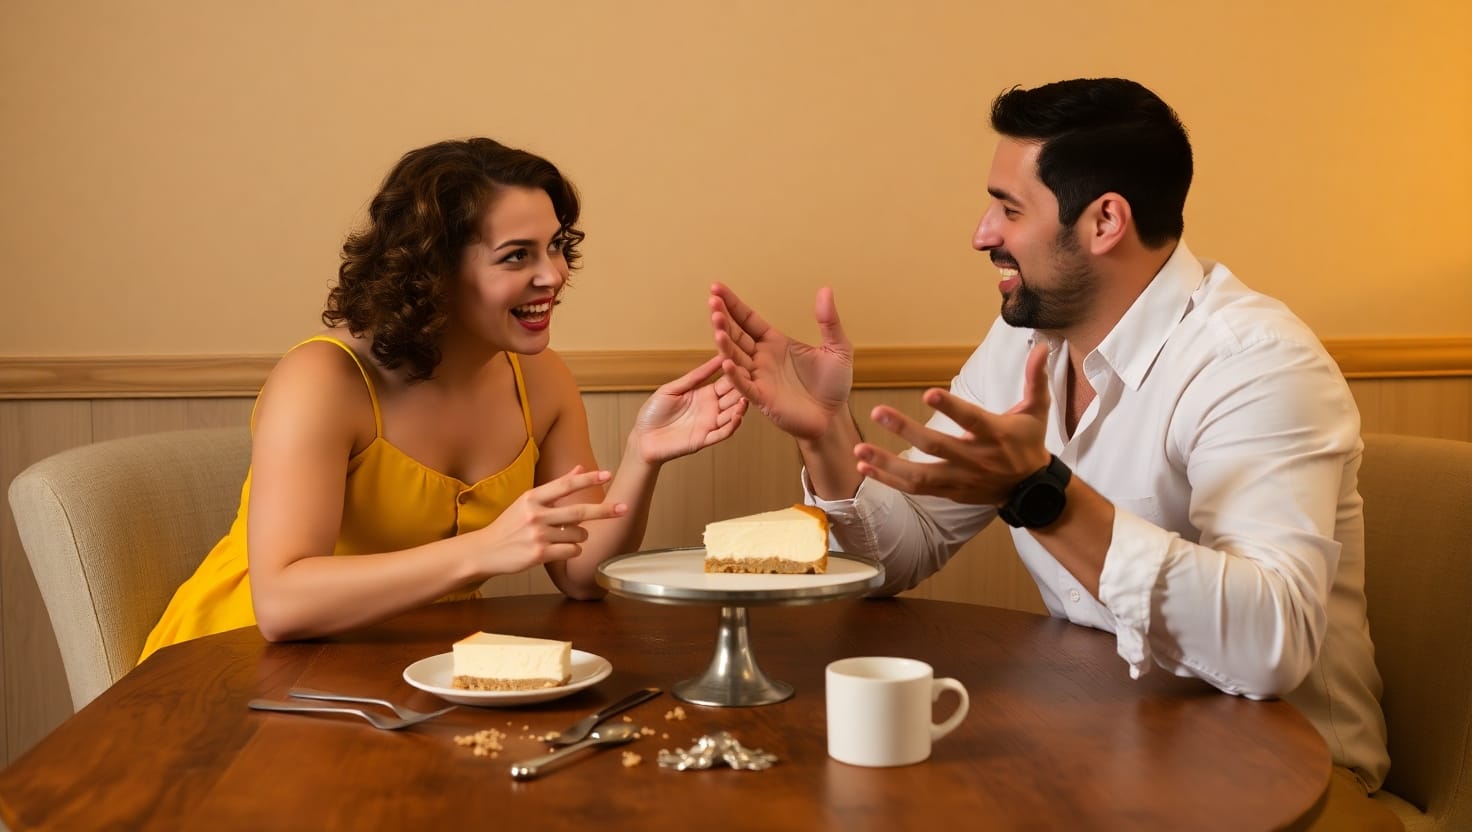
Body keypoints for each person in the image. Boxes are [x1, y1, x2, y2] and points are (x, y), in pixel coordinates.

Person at [709, 78, 1397, 829]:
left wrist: (1046, 496)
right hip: (1106, 747)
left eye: (1009, 208)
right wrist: (826, 435)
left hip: (1292, 781)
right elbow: (899, 557)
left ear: (1105, 220)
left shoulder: (1255, 363)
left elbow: (1271, 647)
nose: (981, 233)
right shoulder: (1024, 342)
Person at [141, 137, 746, 660]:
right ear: (434, 268)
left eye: (557, 246)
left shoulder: (541, 380)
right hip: (237, 661)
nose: (554, 274)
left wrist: (643, 455)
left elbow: (582, 576)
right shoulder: (324, 380)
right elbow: (281, 604)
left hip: (409, 663)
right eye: (518, 255)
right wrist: (484, 549)